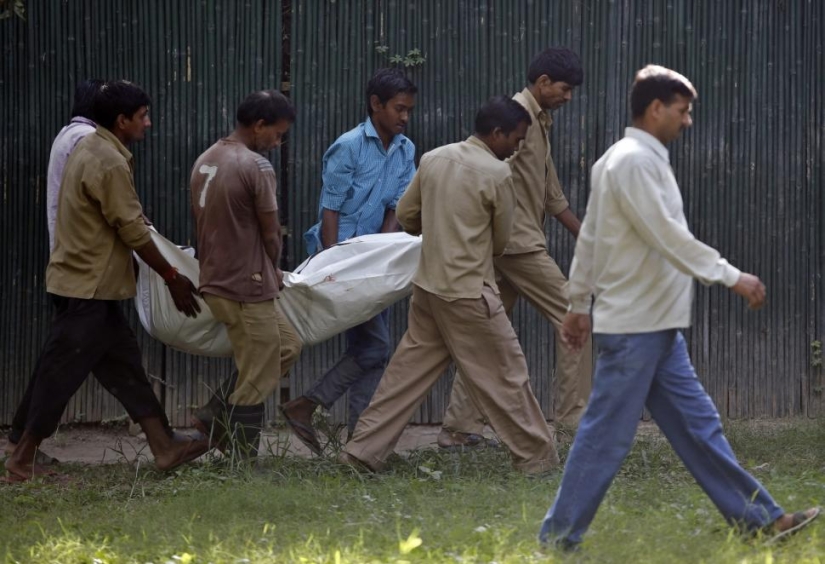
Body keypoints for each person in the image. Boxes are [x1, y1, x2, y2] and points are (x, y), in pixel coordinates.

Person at [538, 65, 820, 549]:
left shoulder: (621, 159)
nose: (688, 121)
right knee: (605, 438)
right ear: (655, 109)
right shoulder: (633, 163)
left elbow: (591, 241)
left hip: (656, 325)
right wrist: (732, 275)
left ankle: (761, 520)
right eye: (683, 111)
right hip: (635, 327)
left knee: (699, 428)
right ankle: (558, 539)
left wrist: (579, 304)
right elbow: (668, 237)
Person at [339, 96, 559, 475]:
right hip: (470, 293)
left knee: (404, 376)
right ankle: (538, 460)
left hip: (428, 288)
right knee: (507, 374)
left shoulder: (434, 158)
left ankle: (362, 451)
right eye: (516, 139)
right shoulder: (498, 174)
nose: (518, 148)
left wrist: (441, 229)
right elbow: (502, 241)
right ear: (496, 133)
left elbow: (408, 216)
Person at [4, 80, 208, 482]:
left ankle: (165, 447)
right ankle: (21, 460)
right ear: (122, 120)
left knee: (126, 370)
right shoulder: (109, 160)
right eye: (143, 117)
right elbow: (131, 228)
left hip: (92, 286)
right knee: (58, 376)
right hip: (87, 289)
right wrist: (171, 276)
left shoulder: (90, 147)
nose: (148, 124)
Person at [438, 47, 593, 449]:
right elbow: (486, 171)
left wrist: (587, 235)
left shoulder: (540, 122)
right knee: (575, 316)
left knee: (488, 334)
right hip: (517, 245)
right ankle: (573, 425)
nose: (568, 96)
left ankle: (458, 428)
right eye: (564, 88)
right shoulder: (514, 121)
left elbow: (551, 193)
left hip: (509, 246)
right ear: (542, 83)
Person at [278, 68, 417, 452]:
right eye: (398, 109)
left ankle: (357, 436)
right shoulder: (349, 146)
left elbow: (396, 208)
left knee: (370, 349)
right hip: (340, 261)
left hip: (375, 263)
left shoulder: (406, 150)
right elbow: (331, 209)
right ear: (376, 105)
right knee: (374, 348)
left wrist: (383, 256)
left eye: (409, 110)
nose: (404, 117)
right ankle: (311, 407)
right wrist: (332, 265)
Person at [188, 90, 302, 459]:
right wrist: (274, 268)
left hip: (216, 279)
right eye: (277, 133)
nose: (278, 141)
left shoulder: (207, 158)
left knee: (287, 346)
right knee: (259, 371)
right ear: (259, 126)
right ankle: (241, 458)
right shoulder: (256, 165)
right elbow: (271, 232)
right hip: (246, 284)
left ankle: (213, 414)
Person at [4, 79, 103, 465]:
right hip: (82, 273)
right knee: (59, 362)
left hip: (77, 269)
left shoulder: (69, 134)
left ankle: (162, 439)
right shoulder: (86, 141)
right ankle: (21, 446)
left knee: (111, 361)